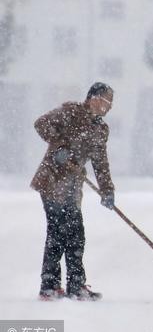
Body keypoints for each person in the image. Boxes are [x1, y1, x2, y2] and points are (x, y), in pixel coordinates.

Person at [31, 82, 116, 301]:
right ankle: (61, 286)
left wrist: (107, 189)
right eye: (107, 101)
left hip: (72, 186)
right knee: (66, 233)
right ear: (93, 98)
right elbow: (41, 124)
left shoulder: (100, 129)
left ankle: (59, 285)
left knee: (68, 235)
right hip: (52, 182)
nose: (109, 107)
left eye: (111, 103)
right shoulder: (71, 112)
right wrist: (59, 148)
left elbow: (100, 162)